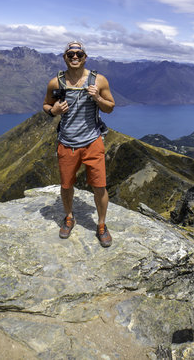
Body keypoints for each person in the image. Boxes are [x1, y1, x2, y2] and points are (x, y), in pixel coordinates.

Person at [43, 41, 116, 247]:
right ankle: (69, 217)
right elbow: (46, 105)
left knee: (99, 185)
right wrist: (54, 111)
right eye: (70, 54)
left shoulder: (98, 81)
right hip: (67, 143)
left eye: (79, 54)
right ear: (64, 57)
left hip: (93, 141)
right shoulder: (55, 83)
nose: (75, 57)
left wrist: (97, 99)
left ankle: (101, 225)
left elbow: (110, 107)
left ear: (85, 57)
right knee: (66, 185)